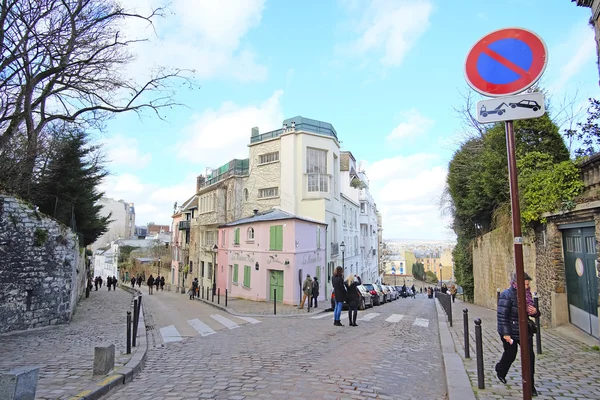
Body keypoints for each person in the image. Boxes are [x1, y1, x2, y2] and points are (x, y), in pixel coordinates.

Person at [496, 272, 539, 397]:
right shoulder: (506, 295)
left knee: (529, 357)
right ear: (516, 284)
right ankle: (500, 370)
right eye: (524, 284)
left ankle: (530, 386)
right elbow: (502, 316)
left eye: (527, 284)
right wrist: (506, 333)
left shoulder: (527, 296)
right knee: (510, 354)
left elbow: (534, 313)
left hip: (525, 330)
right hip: (510, 330)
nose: (526, 287)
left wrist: (535, 311)